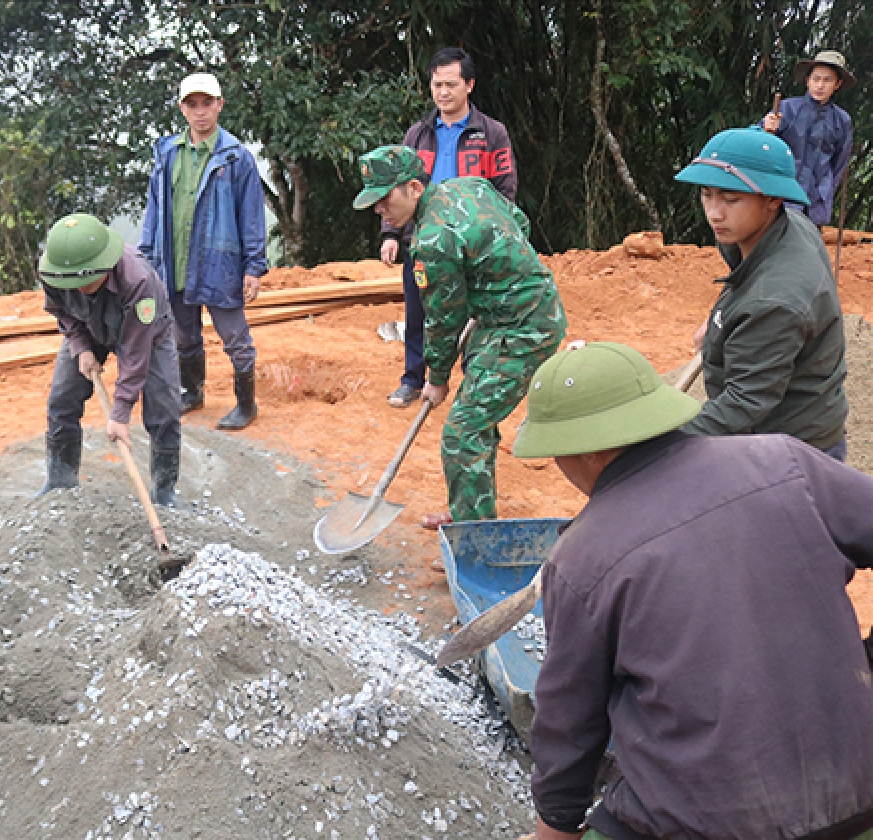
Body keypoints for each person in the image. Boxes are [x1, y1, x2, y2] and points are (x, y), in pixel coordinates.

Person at [512, 341, 873, 840]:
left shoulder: (580, 559)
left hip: (704, 823)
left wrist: (555, 824)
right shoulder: (785, 461)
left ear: (589, 449)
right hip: (860, 792)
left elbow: (571, 722)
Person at [353, 145, 566, 535]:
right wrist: (491, 277)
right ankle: (471, 509)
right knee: (474, 422)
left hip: (523, 328)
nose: (378, 210)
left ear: (414, 187)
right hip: (508, 314)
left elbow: (443, 319)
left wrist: (436, 378)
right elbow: (519, 222)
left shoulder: (433, 241)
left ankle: (474, 539)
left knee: (462, 431)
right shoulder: (469, 187)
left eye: (384, 199)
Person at [675, 127, 849, 459]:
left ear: (772, 198)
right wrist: (716, 325)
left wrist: (658, 440)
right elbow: (745, 281)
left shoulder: (775, 300)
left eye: (731, 199)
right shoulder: (783, 228)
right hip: (807, 423)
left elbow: (743, 405)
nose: (714, 212)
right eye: (707, 194)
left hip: (790, 457)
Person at [379, 46, 517, 410]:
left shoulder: (490, 134)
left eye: (450, 84)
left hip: (473, 246)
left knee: (473, 315)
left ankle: (471, 386)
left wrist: (498, 236)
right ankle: (413, 379)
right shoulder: (417, 135)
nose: (442, 92)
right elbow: (391, 187)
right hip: (422, 242)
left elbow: (505, 189)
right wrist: (391, 235)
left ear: (469, 85)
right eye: (437, 84)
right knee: (418, 313)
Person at [139, 71, 268, 431]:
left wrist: (253, 268)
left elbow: (252, 216)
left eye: (207, 103)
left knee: (234, 335)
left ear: (219, 105)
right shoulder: (167, 154)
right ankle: (192, 392)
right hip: (175, 261)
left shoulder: (236, 158)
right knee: (184, 333)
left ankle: (246, 404)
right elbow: (154, 210)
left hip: (220, 262)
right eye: (192, 104)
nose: (200, 112)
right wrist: (148, 260)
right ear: (182, 108)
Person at [37, 213, 182, 507]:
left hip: (148, 334)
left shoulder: (137, 280)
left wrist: (119, 414)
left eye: (88, 280)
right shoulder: (54, 271)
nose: (80, 288)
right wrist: (80, 346)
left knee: (164, 408)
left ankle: (164, 492)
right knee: (61, 400)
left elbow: (136, 352)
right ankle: (60, 483)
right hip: (87, 328)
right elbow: (61, 310)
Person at [762, 49, 855, 227]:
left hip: (817, 199)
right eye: (816, 79)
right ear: (807, 81)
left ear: (838, 84)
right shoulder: (786, 109)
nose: (820, 85)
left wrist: (826, 190)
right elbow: (759, 144)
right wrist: (767, 129)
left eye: (827, 80)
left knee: (809, 246)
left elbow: (840, 163)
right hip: (784, 194)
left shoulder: (842, 120)